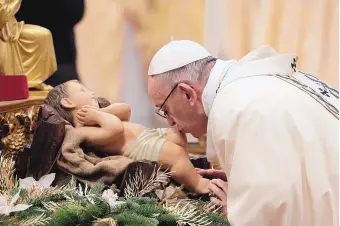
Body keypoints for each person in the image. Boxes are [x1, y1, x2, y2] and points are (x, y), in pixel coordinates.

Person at [147, 40, 339, 225]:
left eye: (165, 109)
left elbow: (270, 210)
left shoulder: (235, 106)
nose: (170, 122)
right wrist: (241, 180)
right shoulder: (253, 85)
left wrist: (238, 208)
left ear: (188, 93)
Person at [44, 80, 211, 195]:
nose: (91, 92)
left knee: (177, 136)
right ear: (68, 102)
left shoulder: (99, 113)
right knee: (175, 154)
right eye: (83, 90)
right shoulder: (82, 130)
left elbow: (126, 110)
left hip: (149, 134)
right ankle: (198, 185)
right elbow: (114, 129)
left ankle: (184, 175)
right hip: (138, 147)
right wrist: (98, 116)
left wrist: (101, 112)